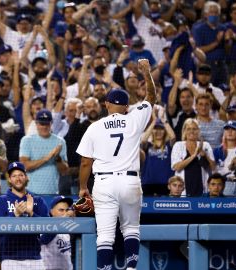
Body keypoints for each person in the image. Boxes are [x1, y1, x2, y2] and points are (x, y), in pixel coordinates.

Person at [77, 59, 156, 270]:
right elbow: (152, 97)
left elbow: (85, 162)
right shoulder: (134, 118)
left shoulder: (95, 127)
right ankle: (131, 269)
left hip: (103, 182)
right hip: (130, 181)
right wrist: (146, 72)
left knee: (104, 235)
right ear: (127, 106)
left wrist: (83, 187)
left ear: (106, 104)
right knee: (131, 229)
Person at [0, 161, 49, 269]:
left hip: (35, 259)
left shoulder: (37, 200)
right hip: (10, 259)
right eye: (14, 176)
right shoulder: (0, 201)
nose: (18, 178)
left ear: (26, 177)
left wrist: (31, 213)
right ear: (9, 179)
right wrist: (15, 214)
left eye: (21, 175)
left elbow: (49, 231)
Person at [20, 109, 69, 194]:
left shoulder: (60, 142)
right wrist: (47, 157)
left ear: (51, 124)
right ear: (36, 124)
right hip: (30, 192)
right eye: (42, 124)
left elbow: (64, 171)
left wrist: (57, 158)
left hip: (52, 192)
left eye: (47, 124)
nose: (44, 127)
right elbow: (24, 166)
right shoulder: (27, 140)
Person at [171, 118, 216, 197]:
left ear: (198, 131)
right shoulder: (178, 145)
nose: (191, 131)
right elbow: (177, 167)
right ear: (184, 131)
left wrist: (205, 155)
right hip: (184, 190)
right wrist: (194, 155)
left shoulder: (205, 145)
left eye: (194, 129)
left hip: (202, 189)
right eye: (188, 129)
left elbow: (213, 167)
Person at [40, 195, 74, 270]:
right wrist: (61, 221)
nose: (65, 213)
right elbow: (44, 240)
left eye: (67, 210)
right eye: (61, 210)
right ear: (52, 212)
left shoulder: (68, 229)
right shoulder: (45, 225)